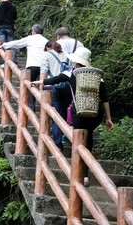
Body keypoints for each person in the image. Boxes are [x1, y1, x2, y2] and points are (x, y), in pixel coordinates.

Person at [32, 47, 114, 187]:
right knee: (88, 139)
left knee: (78, 141)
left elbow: (54, 80)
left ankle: (79, 174)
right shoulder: (97, 77)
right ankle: (86, 175)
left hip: (80, 110)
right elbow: (104, 99)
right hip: (95, 112)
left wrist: (37, 83)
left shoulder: (71, 73)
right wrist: (108, 118)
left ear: (75, 61)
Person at [0, 24, 48, 111]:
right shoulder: (46, 41)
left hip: (32, 65)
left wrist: (4, 45)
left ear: (33, 31)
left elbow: (17, 43)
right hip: (43, 67)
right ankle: (45, 108)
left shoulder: (30, 38)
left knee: (30, 86)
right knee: (42, 86)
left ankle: (31, 107)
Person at [39, 40, 71, 151]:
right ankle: (65, 136)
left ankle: (58, 146)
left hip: (53, 87)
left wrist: (40, 87)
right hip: (67, 87)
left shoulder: (47, 55)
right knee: (65, 113)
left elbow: (44, 71)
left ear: (48, 48)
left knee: (55, 116)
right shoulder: (67, 56)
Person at [0, 0, 17, 66]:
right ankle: (13, 62)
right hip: (10, 27)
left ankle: (3, 62)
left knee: (2, 45)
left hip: (1, 27)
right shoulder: (13, 6)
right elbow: (15, 17)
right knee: (11, 44)